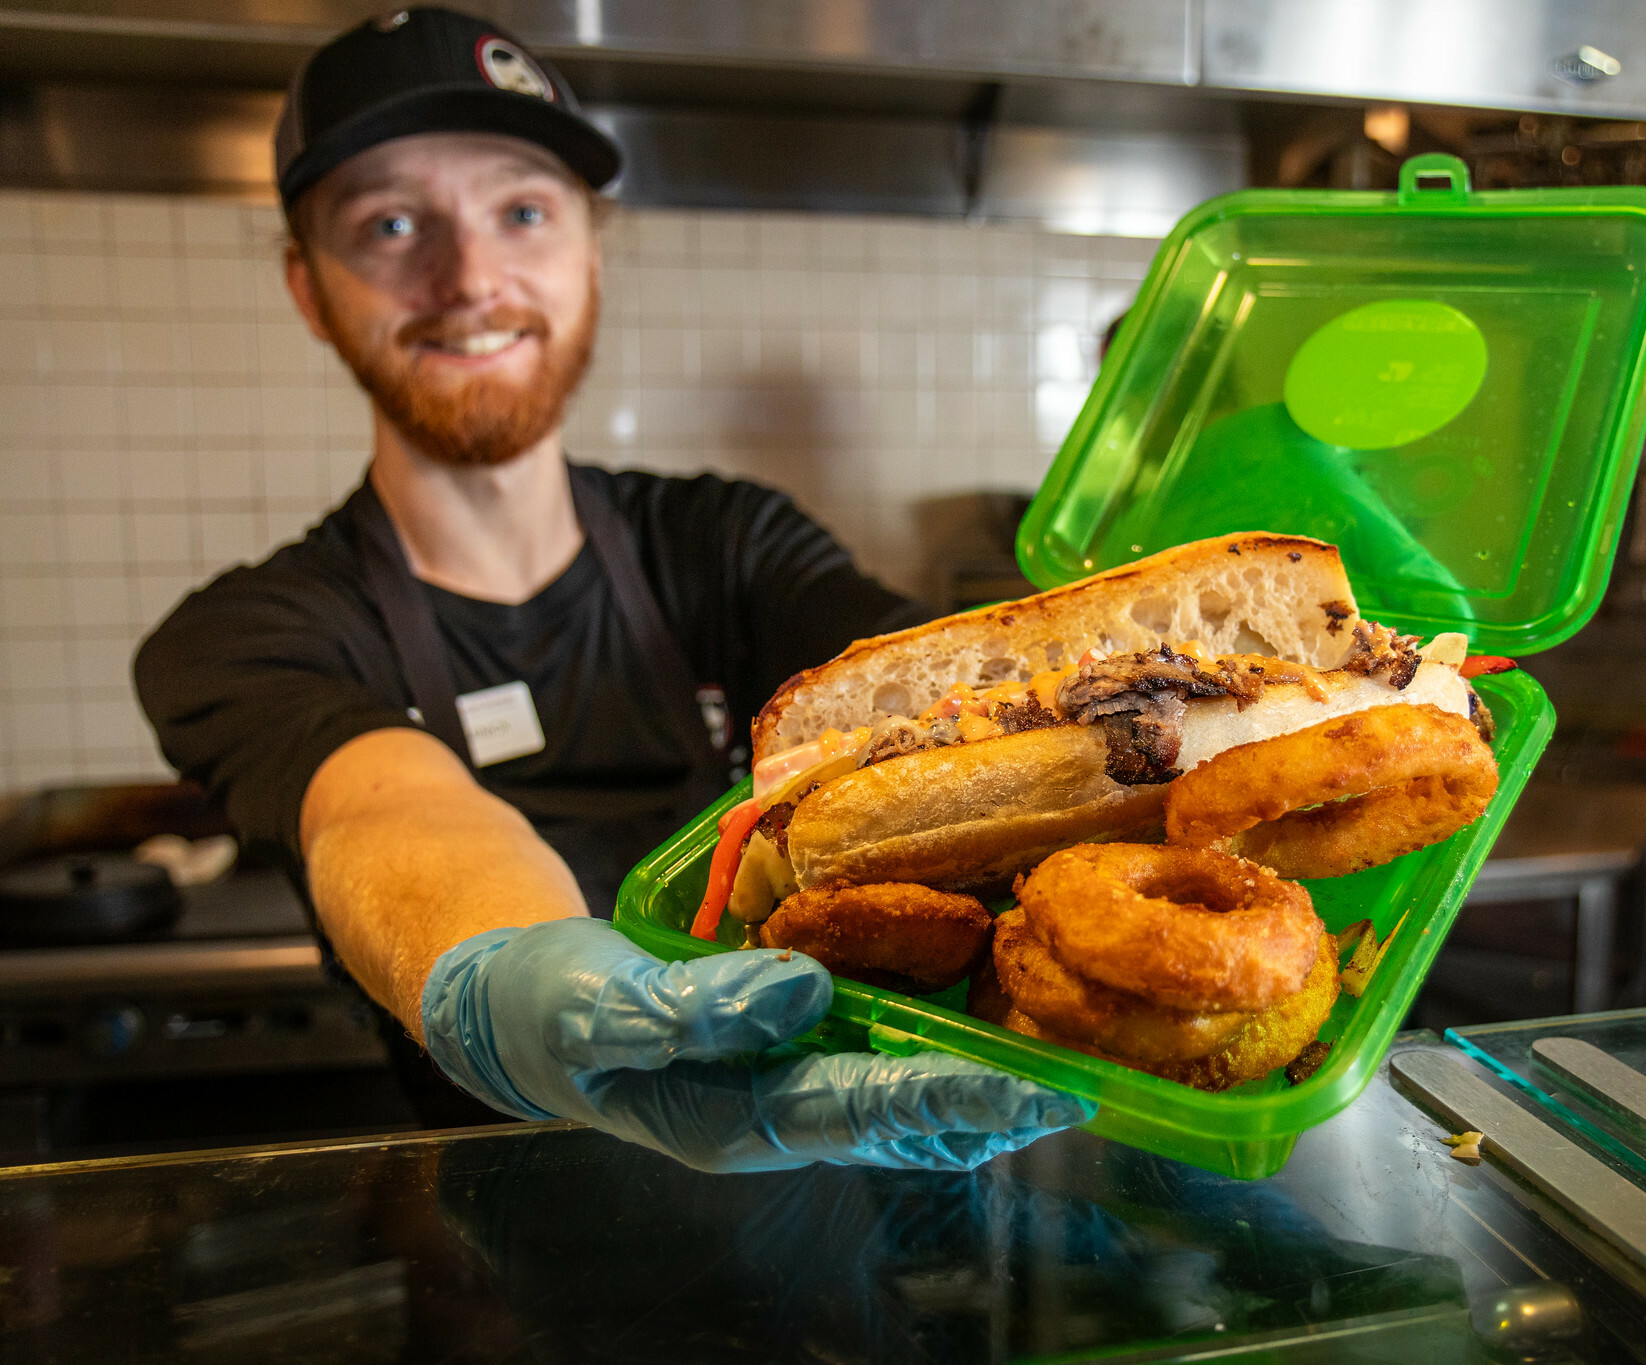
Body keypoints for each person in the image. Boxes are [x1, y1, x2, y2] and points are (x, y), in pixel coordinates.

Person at [132, 8, 1087, 1170]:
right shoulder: (247, 637)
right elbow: (382, 811)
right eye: (389, 224)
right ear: (308, 287)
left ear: (591, 248)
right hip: (499, 1268)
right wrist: (504, 980)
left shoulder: (724, 542)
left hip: (837, 1219)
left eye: (522, 213)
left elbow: (928, 691)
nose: (469, 277)